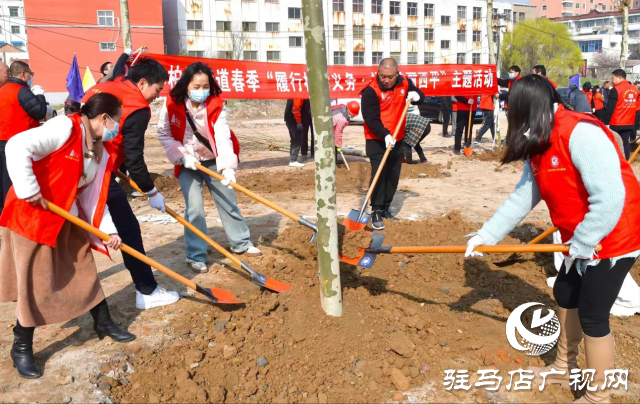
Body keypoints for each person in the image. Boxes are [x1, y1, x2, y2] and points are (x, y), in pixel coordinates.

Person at [465, 74, 640, 404]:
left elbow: (612, 197)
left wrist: (585, 242)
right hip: (580, 237)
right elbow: (524, 197)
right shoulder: (539, 139)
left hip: (614, 236)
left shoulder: (580, 133)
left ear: (528, 108)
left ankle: (599, 395)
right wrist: (485, 234)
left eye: (512, 110)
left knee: (593, 313)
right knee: (564, 292)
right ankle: (563, 366)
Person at [0, 93, 136, 379]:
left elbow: (90, 196)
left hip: (66, 214)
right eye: (117, 121)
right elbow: (16, 145)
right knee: (34, 283)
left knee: (84, 267)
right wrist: (28, 189)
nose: (117, 127)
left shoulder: (98, 147)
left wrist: (107, 230)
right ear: (103, 118)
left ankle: (103, 322)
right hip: (32, 216)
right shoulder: (64, 128)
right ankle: (21, 346)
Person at [81, 58, 180, 310]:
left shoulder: (104, 87)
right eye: (157, 90)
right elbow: (135, 159)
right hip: (95, 171)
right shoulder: (136, 106)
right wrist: (151, 191)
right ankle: (146, 291)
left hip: (82, 164)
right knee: (128, 230)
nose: (157, 96)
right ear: (143, 82)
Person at [157, 62, 262, 273]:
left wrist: (228, 166)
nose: (201, 91)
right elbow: (164, 134)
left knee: (227, 199)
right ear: (186, 85)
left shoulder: (215, 104)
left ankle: (241, 243)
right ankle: (196, 255)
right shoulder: (171, 104)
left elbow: (222, 136)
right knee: (194, 208)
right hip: (187, 163)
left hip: (213, 159)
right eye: (196, 87)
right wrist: (182, 156)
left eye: (205, 86)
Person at [361, 58, 424, 230]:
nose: (386, 80)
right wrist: (385, 134)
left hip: (398, 137)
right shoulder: (370, 91)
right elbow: (370, 119)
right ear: (378, 73)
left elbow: (419, 95)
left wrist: (417, 95)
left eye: (390, 77)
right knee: (379, 174)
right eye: (382, 76)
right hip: (376, 138)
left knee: (393, 174)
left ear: (397, 74)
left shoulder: (404, 83)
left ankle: (386, 208)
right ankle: (376, 210)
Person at [0, 61, 47, 216]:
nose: (31, 77)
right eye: (30, 74)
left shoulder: (3, 90)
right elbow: (39, 112)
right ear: (23, 74)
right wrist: (40, 94)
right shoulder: (22, 91)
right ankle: (18, 210)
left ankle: (6, 209)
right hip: (20, 141)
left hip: (3, 139)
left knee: (6, 177)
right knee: (20, 177)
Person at [603, 69, 639, 159]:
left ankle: (616, 163)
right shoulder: (635, 90)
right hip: (629, 122)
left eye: (613, 78)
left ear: (619, 78)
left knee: (615, 144)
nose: (612, 80)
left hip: (617, 122)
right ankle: (625, 163)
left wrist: (604, 122)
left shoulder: (616, 90)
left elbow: (610, 107)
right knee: (625, 143)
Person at [332, 100, 359, 165]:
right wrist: (338, 145)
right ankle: (333, 164)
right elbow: (338, 133)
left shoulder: (343, 107)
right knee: (332, 146)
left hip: (328, 123)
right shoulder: (342, 119)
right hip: (326, 127)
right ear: (348, 111)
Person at [284, 99, 306, 167]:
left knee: (293, 140)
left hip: (288, 118)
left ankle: (292, 158)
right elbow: (296, 109)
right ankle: (293, 160)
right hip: (294, 120)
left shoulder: (292, 94)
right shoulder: (298, 96)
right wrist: (298, 121)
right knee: (298, 140)